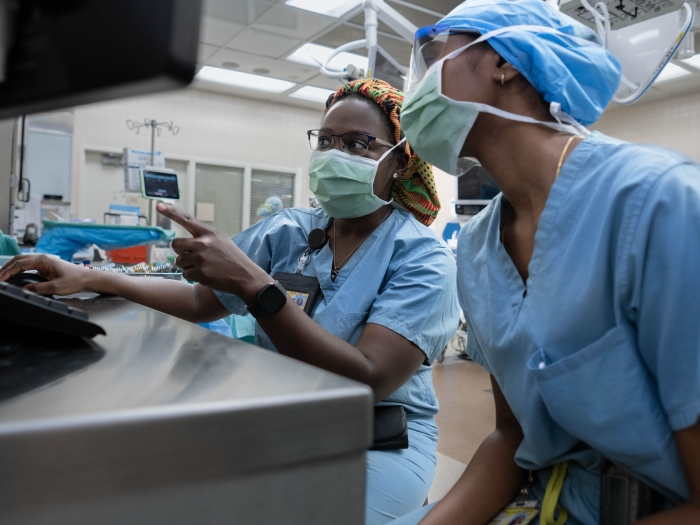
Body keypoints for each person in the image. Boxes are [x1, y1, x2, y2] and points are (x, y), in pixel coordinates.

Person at [0, 79, 460, 525]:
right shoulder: (289, 231)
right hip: (280, 420)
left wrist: (257, 288)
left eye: (358, 144)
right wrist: (94, 277)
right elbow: (202, 301)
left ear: (400, 163)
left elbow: (370, 378)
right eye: (325, 141)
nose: (335, 156)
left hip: (377, 439)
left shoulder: (423, 258)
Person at [390, 1, 700, 524]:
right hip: (559, 500)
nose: (418, 89)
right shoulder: (479, 245)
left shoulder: (658, 204)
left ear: (503, 63)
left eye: (437, 54)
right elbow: (511, 434)